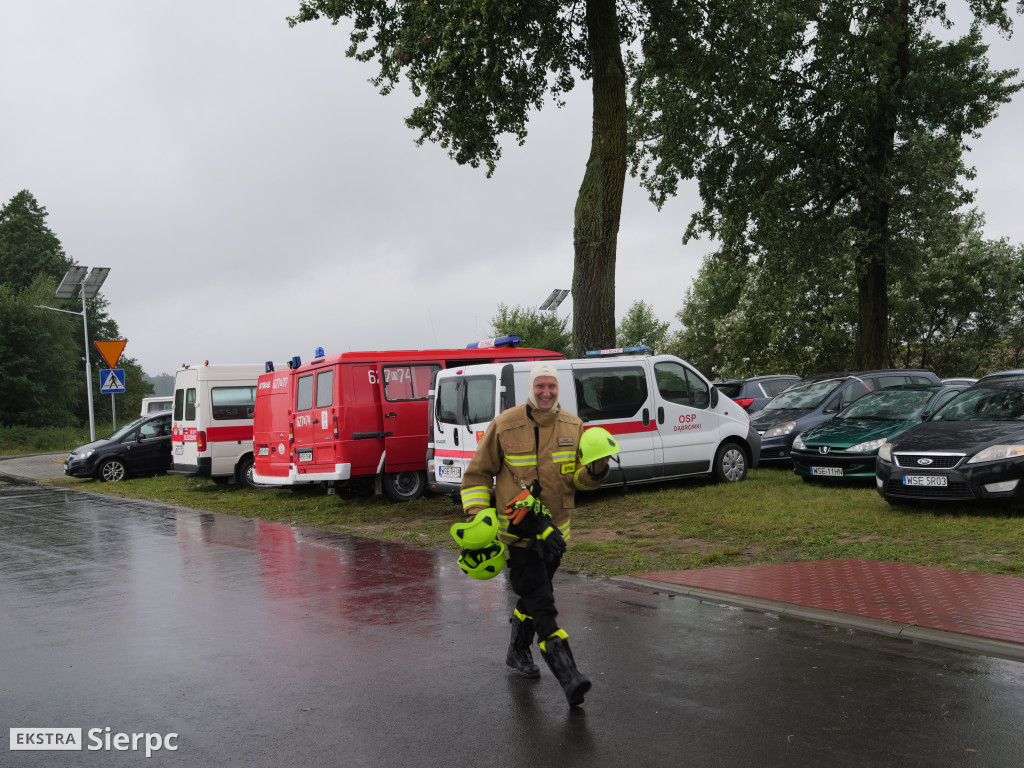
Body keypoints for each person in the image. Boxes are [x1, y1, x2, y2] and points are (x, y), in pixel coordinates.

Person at [459, 362, 614, 707]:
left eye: (552, 386)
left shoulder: (574, 425)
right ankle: (567, 674)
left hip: (556, 534)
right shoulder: (505, 424)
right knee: (541, 600)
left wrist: (596, 471)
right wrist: (476, 516)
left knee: (534, 592)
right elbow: (477, 474)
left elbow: (577, 479)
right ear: (531, 388)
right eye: (540, 386)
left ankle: (516, 650)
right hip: (519, 532)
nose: (546, 392)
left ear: (558, 389)